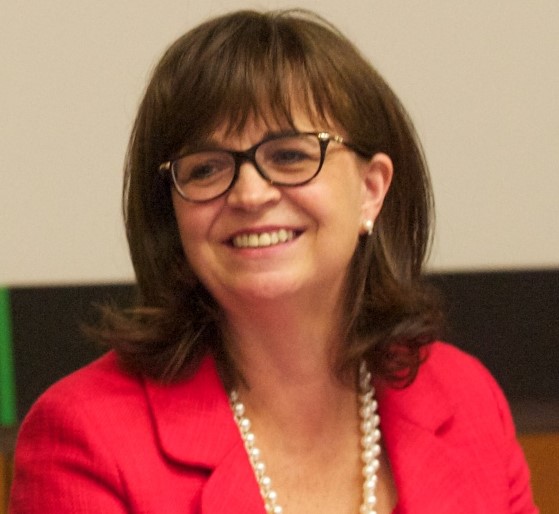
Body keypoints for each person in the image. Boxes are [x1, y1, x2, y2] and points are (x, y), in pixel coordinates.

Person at [9, 9, 537, 514]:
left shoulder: (465, 398)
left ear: (371, 190)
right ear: (173, 214)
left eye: (289, 156)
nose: (250, 194)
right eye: (206, 169)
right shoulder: (86, 438)